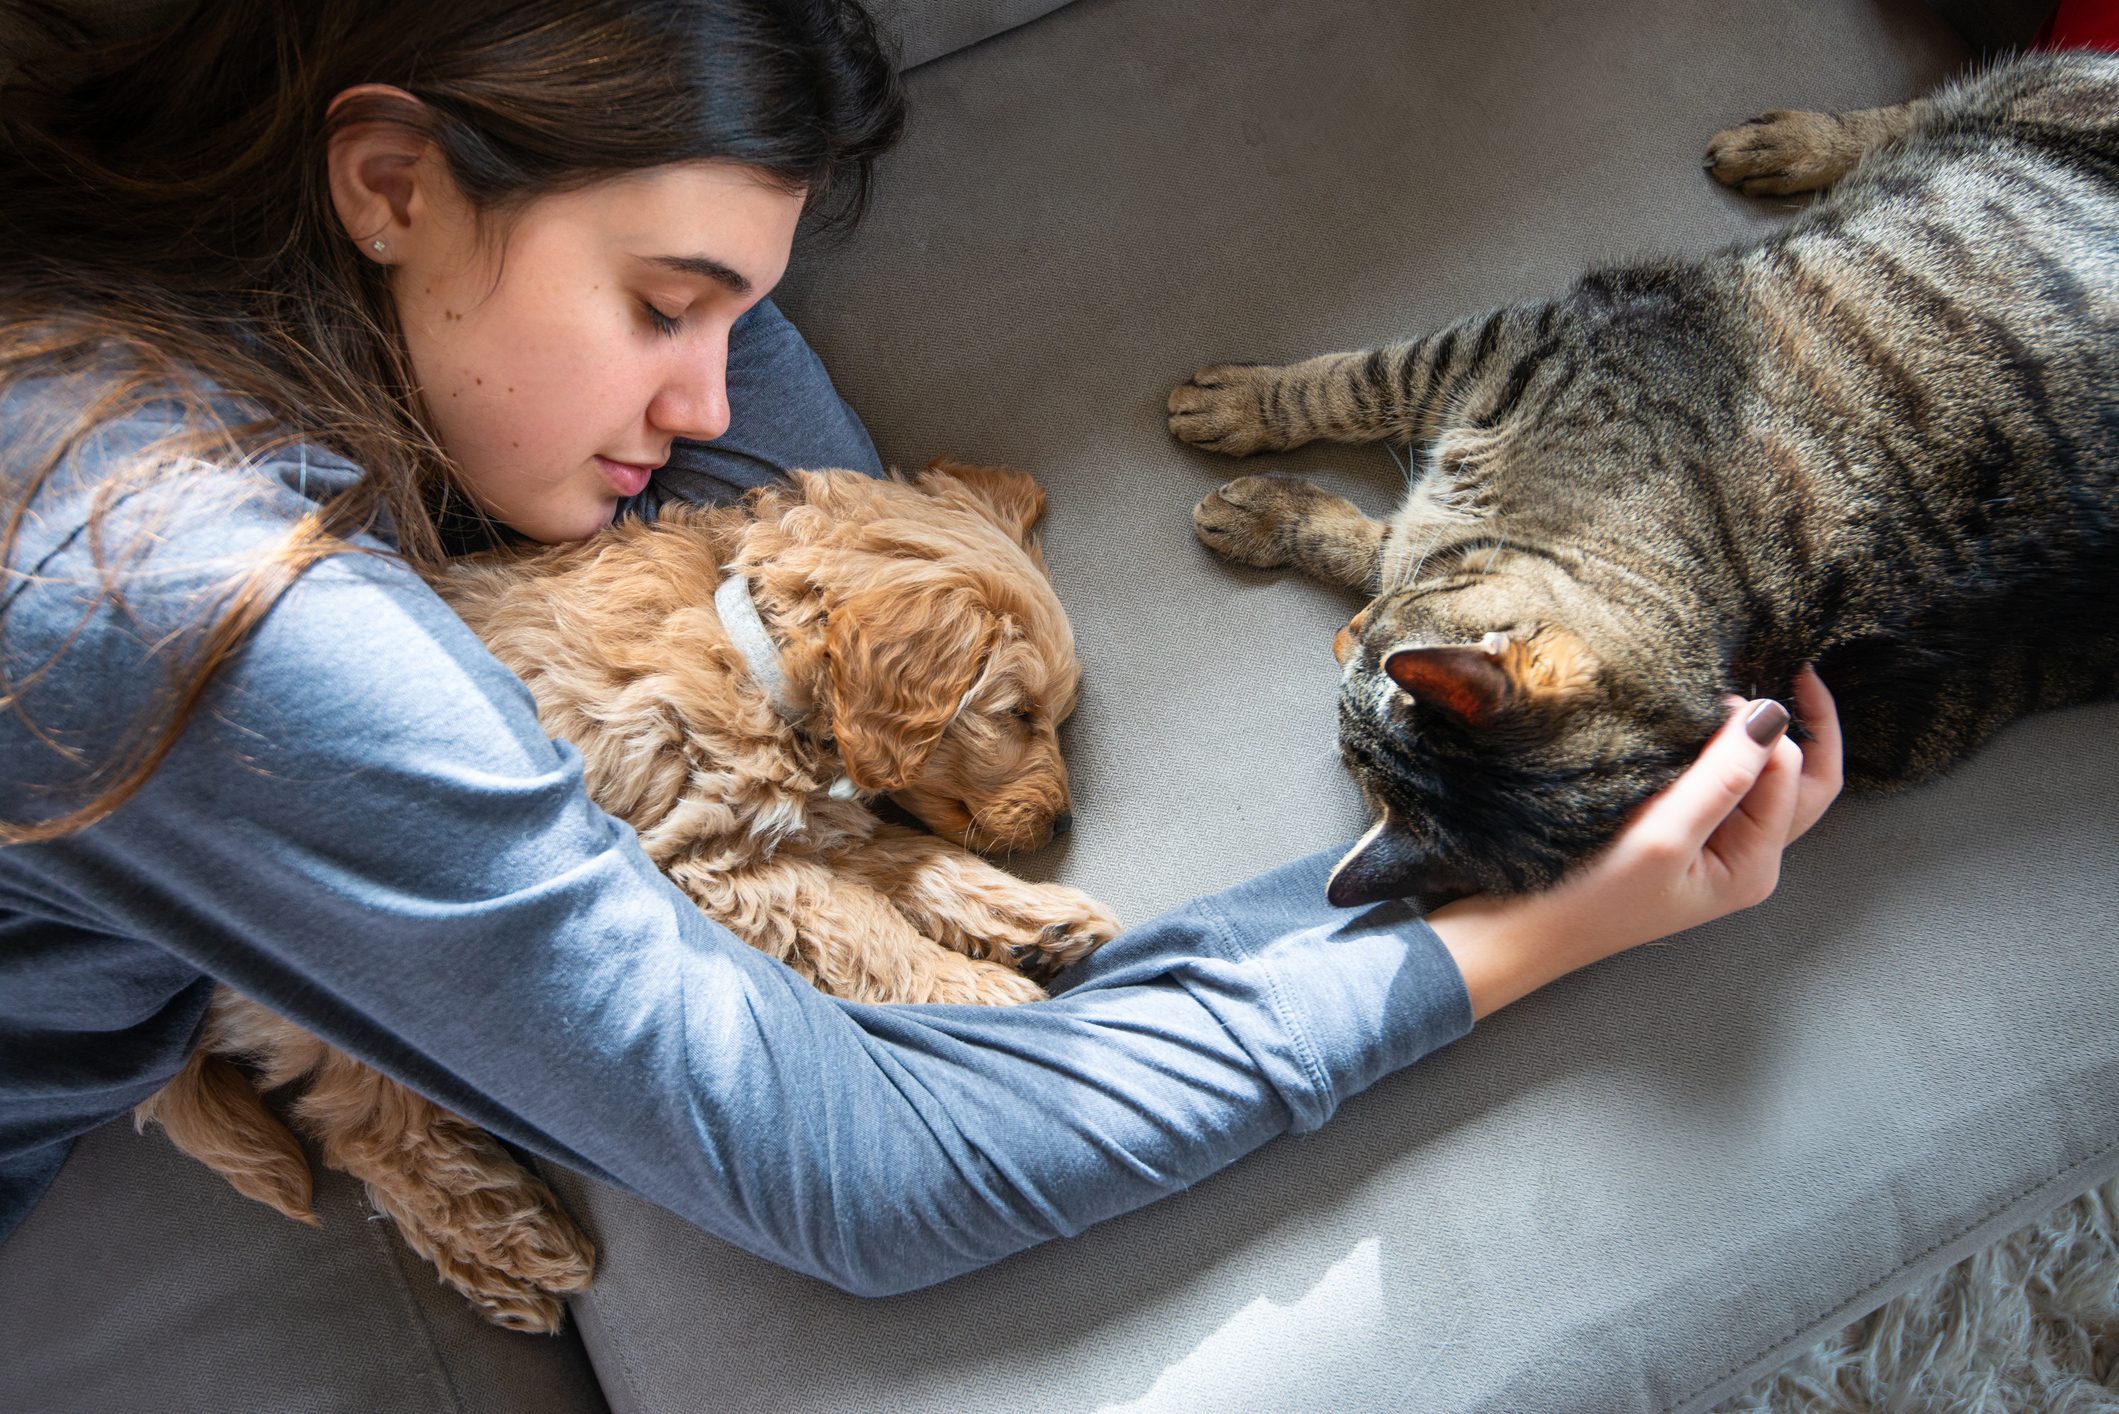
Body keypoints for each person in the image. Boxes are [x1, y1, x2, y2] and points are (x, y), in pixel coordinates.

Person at [0, 0, 1840, 1301]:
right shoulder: (188, 590)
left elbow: (815, 509)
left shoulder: (183, 247)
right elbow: (876, 1171)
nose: (703, 400)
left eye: (736, 307)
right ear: (389, 178)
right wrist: (1546, 925)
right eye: (663, 303)